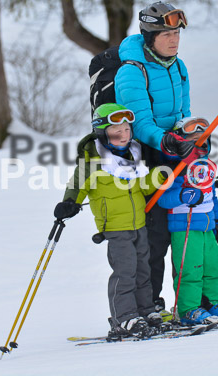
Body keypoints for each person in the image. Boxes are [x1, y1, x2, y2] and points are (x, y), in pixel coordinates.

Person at [114, 1, 207, 316]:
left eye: (176, 32)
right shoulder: (132, 70)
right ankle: (150, 304)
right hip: (147, 155)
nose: (174, 39)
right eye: (166, 33)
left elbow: (183, 115)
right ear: (149, 36)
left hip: (174, 152)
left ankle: (195, 301)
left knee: (186, 225)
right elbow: (139, 122)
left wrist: (191, 136)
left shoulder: (178, 67)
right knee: (155, 235)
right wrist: (167, 140)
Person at [53, 103, 169, 339]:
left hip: (139, 224)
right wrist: (69, 202)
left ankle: (146, 311)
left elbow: (143, 188)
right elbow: (78, 184)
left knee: (143, 271)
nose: (123, 136)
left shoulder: (133, 156)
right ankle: (123, 318)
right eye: (116, 132)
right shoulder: (93, 160)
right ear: (102, 133)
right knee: (125, 272)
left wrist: (160, 175)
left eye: (126, 130)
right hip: (115, 227)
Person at [156, 117, 218, 325]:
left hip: (207, 227)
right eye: (193, 141)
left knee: (214, 267)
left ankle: (212, 304)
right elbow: (162, 198)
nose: (199, 146)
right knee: (190, 269)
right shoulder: (175, 169)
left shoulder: (206, 167)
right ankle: (188, 309)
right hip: (185, 227)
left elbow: (212, 197)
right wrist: (182, 196)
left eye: (203, 140)